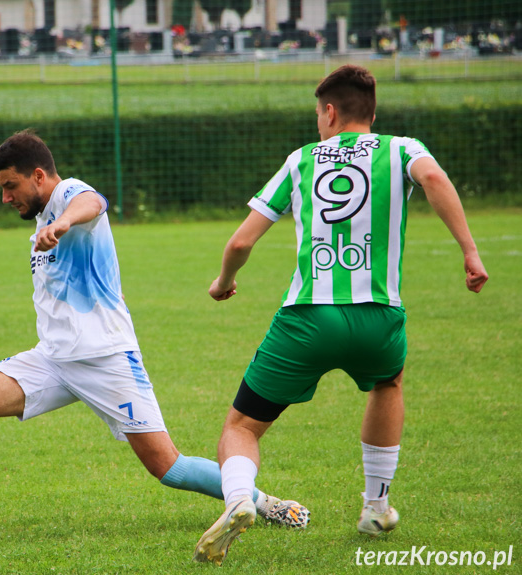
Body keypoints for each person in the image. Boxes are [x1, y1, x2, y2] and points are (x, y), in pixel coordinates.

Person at [0, 130, 310, 545]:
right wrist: (54, 225)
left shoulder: (68, 194)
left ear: (38, 175)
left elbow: (94, 201)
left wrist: (65, 221)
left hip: (106, 359)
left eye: (10, 186)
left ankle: (263, 503)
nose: (5, 197)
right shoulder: (42, 220)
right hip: (52, 359)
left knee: (168, 467)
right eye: (1, 188)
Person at [193, 65, 489, 566]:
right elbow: (434, 177)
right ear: (371, 112)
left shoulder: (302, 160)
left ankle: (241, 500)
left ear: (330, 112)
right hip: (377, 317)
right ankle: (376, 507)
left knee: (240, 428)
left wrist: (224, 281)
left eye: (317, 114)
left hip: (306, 319)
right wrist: (470, 252)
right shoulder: (401, 149)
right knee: (387, 384)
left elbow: (242, 240)